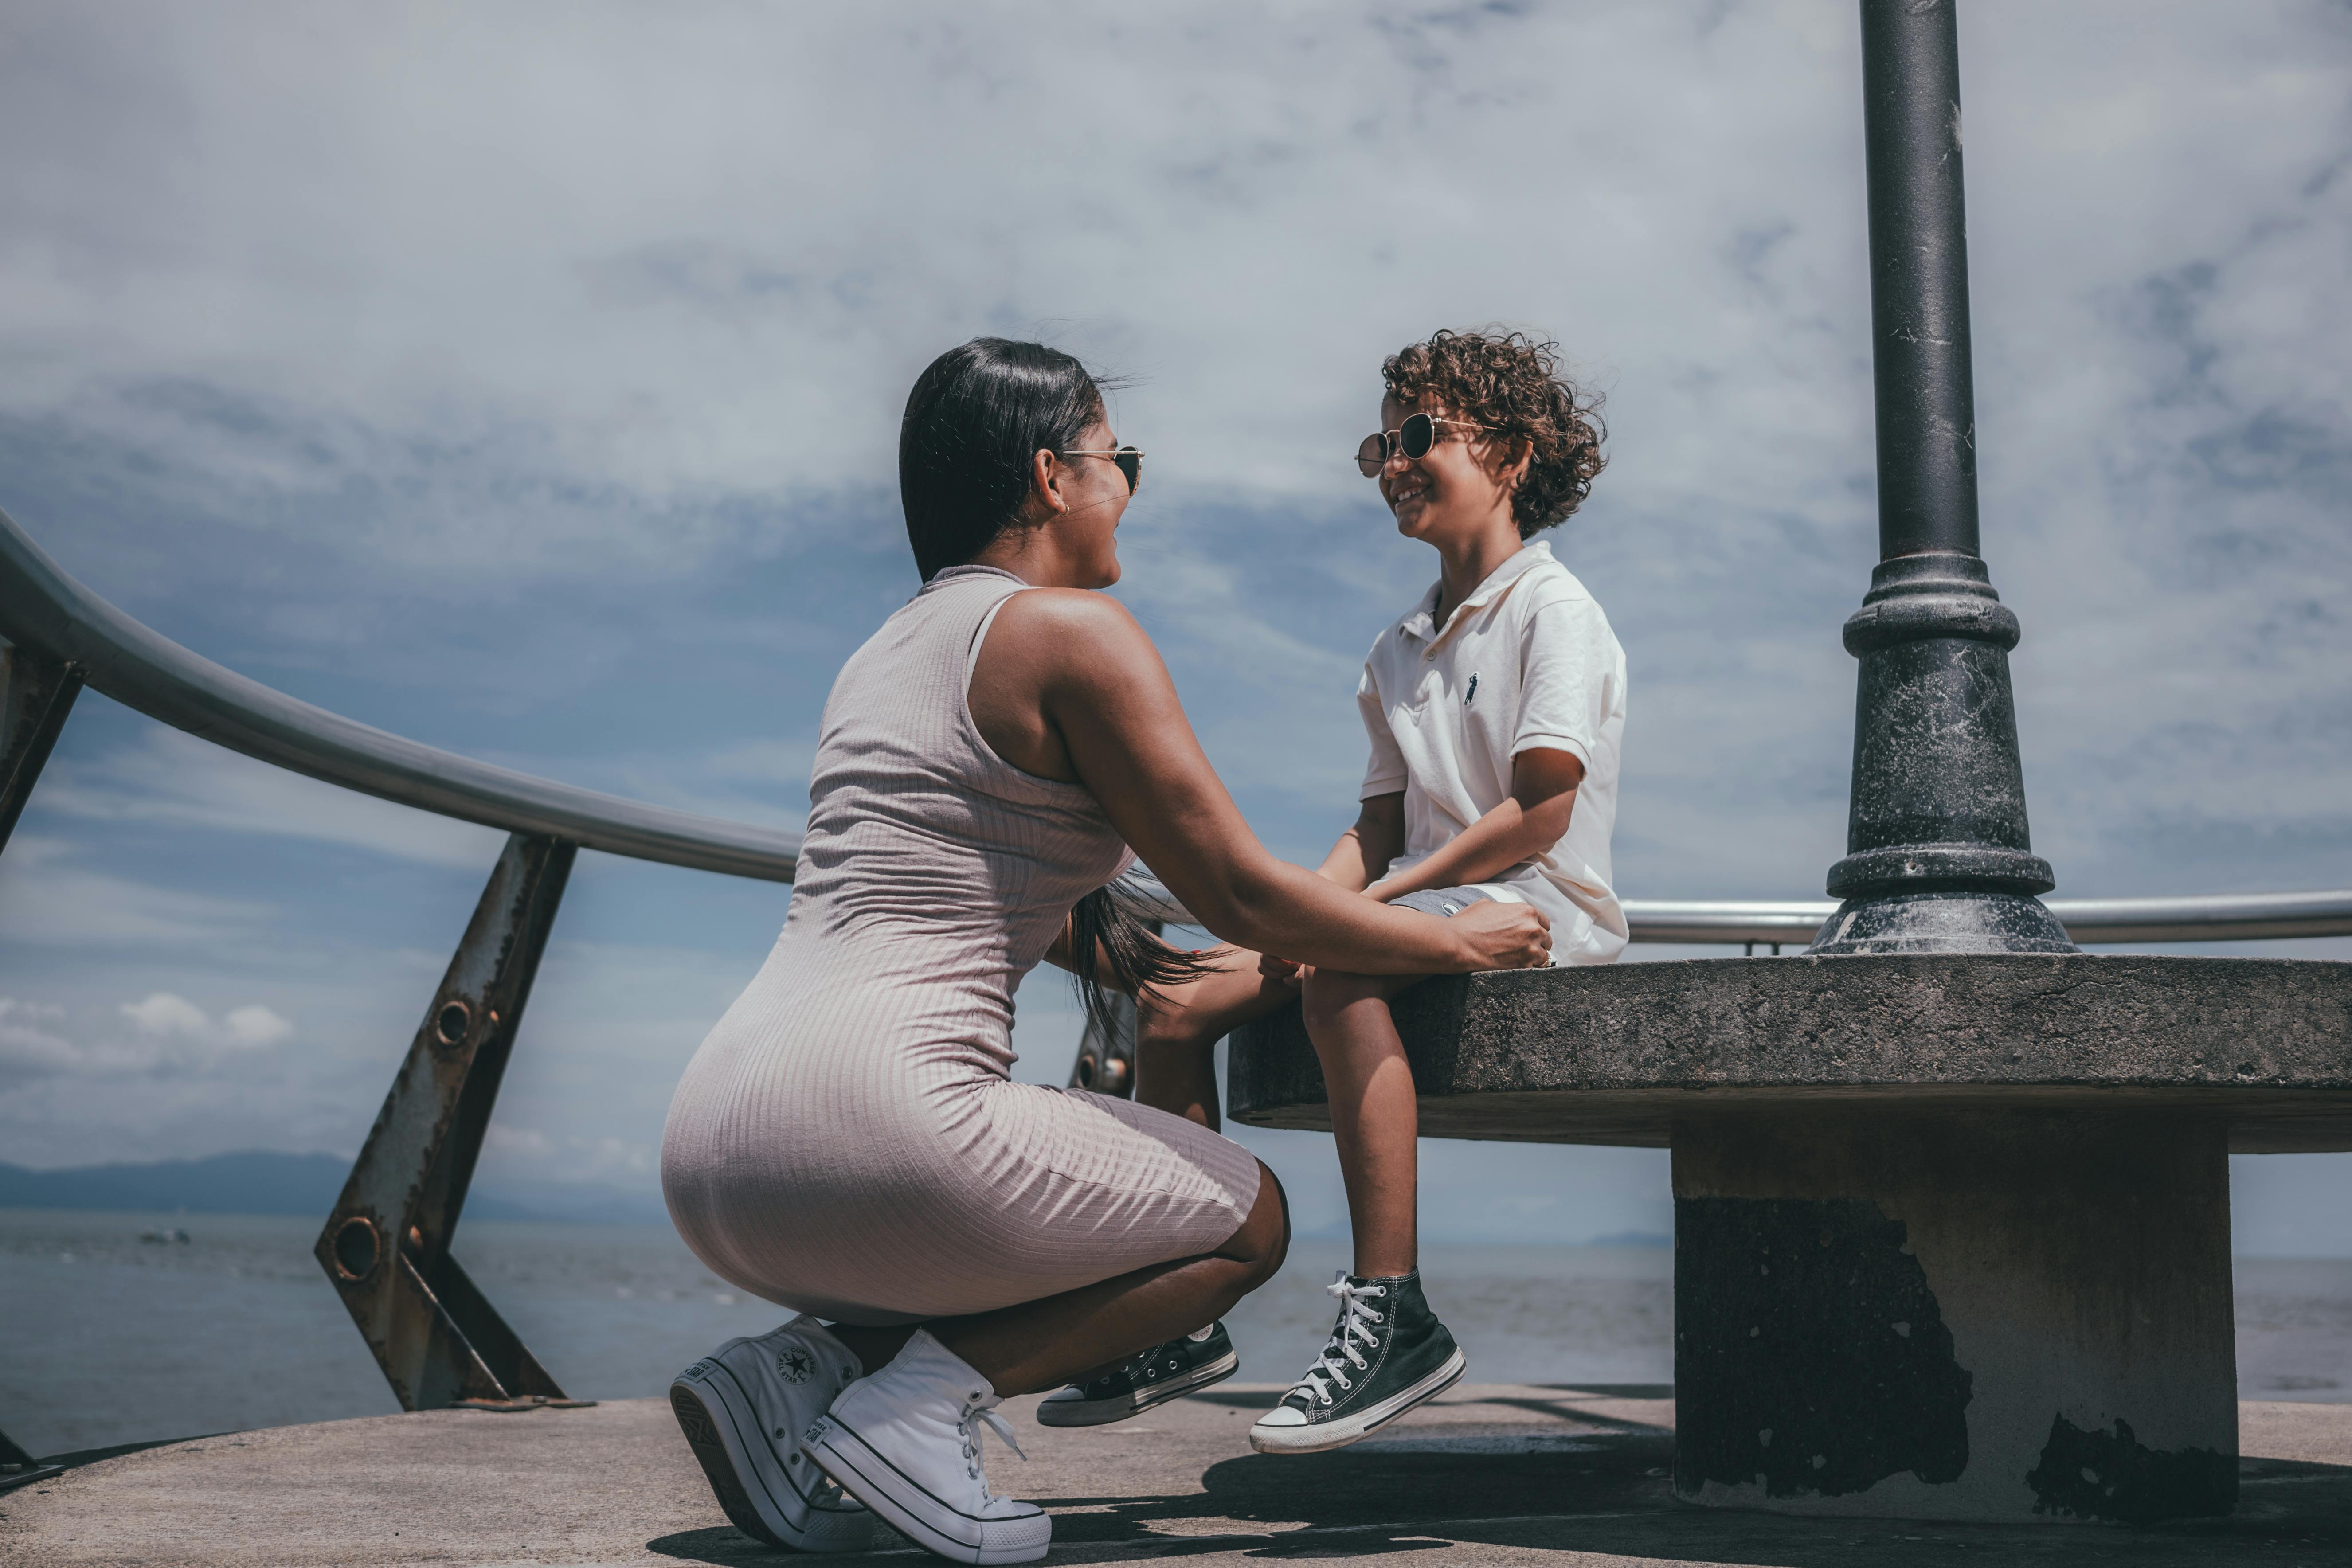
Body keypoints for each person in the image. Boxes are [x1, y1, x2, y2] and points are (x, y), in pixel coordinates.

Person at [658, 337, 1552, 1563]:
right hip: (880, 1137)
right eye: (1115, 458)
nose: (1127, 484)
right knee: (1246, 1222)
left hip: (717, 1153)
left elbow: (1109, 919)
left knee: (1079, 1182)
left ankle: (797, 1367)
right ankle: (918, 1407)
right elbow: (1241, 891)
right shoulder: (1074, 636)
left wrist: (1272, 957)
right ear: (1048, 477)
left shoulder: (881, 658)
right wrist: (1448, 946)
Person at [1113, 328, 1624, 1456]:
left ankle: (1391, 1310)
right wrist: (1294, 908)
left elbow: (1538, 813)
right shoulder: (1395, 650)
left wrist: (1366, 914)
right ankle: (1178, 1303)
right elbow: (1375, 828)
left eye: (1417, 437)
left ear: (1511, 451)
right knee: (1172, 1001)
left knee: (1342, 968)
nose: (1391, 463)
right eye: (1376, 445)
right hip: (1414, 903)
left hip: (1531, 909)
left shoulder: (1555, 612)